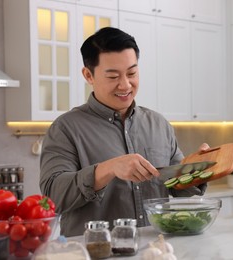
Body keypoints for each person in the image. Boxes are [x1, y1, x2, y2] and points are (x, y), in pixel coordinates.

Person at [39, 27, 209, 237]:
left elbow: (178, 189)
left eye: (132, 73)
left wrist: (196, 171)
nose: (126, 85)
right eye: (113, 76)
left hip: (155, 248)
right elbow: (53, 197)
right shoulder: (65, 128)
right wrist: (107, 169)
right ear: (88, 75)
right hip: (95, 252)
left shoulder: (159, 124)